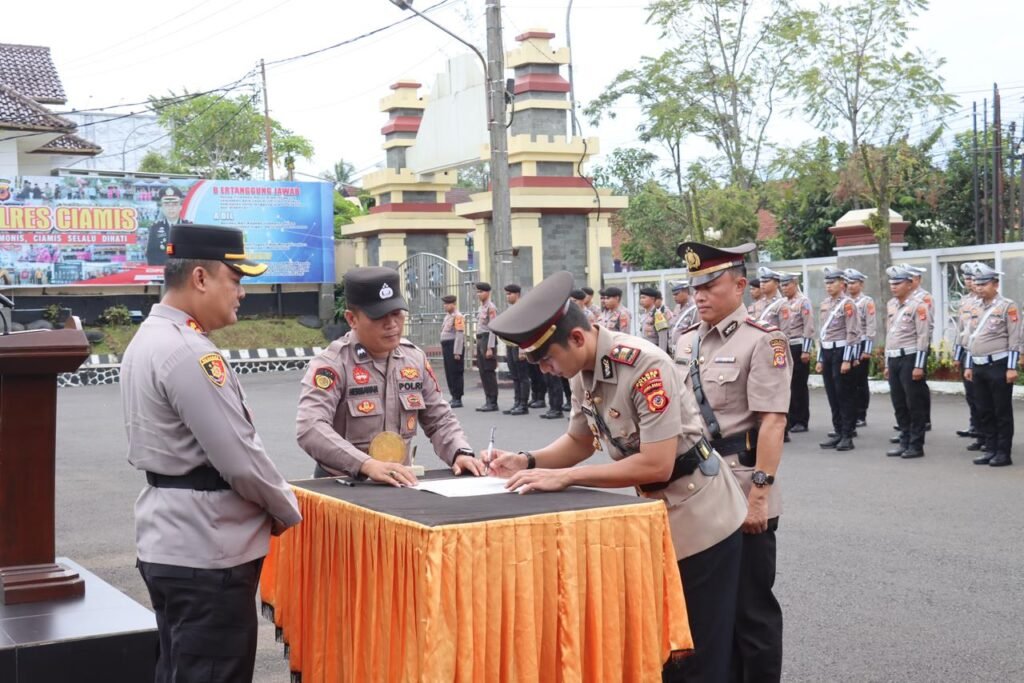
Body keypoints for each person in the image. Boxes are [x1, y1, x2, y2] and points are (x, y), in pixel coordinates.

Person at [485, 270, 747, 683]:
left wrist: (569, 479)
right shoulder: (582, 370)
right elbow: (580, 440)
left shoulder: (644, 365)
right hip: (653, 515)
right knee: (659, 644)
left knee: (696, 651)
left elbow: (655, 464)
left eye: (548, 359)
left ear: (576, 338)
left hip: (701, 517)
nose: (548, 370)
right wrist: (528, 461)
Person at [121, 223, 302, 683]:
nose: (240, 293)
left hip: (172, 540)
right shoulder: (188, 352)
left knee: (179, 670)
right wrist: (285, 509)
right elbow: (240, 458)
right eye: (236, 280)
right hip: (208, 551)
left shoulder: (149, 339)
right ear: (200, 278)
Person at [675, 241, 789, 683]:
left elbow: (773, 423)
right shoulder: (685, 341)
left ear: (740, 285)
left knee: (751, 610)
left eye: (710, 285)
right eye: (695, 286)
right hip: (698, 493)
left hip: (743, 487)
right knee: (707, 610)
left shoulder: (763, 341)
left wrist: (760, 494)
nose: (700, 295)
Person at [295, 267, 484, 484]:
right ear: (351, 319)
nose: (392, 324)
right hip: (344, 484)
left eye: (396, 313)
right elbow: (310, 427)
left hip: (400, 483)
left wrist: (460, 452)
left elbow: (439, 419)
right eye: (378, 317)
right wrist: (365, 464)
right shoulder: (333, 364)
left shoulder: (414, 358)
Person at [962, 264, 1020, 467]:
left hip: (998, 365)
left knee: (1001, 410)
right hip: (978, 365)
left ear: (995, 284)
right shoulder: (975, 307)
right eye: (976, 283)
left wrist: (1012, 367)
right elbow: (970, 338)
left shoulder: (1007, 306)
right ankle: (990, 447)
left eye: (983, 283)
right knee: (984, 409)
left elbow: (1015, 339)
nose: (978, 287)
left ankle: (1003, 453)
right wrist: (968, 365)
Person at [884, 266, 931, 459]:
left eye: (898, 283)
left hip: (910, 357)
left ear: (910, 284)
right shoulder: (891, 305)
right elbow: (889, 335)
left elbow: (923, 336)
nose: (894, 287)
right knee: (899, 403)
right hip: (894, 358)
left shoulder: (919, 306)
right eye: (892, 284)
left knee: (914, 403)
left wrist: (919, 365)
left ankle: (916, 444)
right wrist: (887, 363)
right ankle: (904, 440)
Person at [816, 266, 859, 451]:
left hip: (841, 352)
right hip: (827, 352)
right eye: (826, 283)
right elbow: (822, 333)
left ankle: (847, 436)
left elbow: (853, 332)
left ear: (842, 284)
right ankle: (838, 431)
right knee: (832, 395)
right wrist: (819, 358)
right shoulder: (825, 303)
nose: (828, 286)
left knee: (844, 395)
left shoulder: (848, 304)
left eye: (832, 282)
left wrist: (847, 360)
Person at [778, 272, 813, 434]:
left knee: (798, 385)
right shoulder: (782, 303)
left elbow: (808, 327)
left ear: (795, 283)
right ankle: (791, 418)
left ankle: (801, 419)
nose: (784, 288)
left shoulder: (803, 302)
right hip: (785, 346)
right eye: (782, 285)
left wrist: (806, 349)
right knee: (787, 384)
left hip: (798, 346)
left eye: (787, 285)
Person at [844, 269, 876, 428]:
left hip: (861, 343)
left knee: (860, 381)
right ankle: (850, 413)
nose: (850, 286)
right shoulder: (843, 302)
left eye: (853, 282)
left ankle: (861, 414)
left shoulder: (866, 302)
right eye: (848, 283)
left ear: (861, 284)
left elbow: (870, 326)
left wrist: (867, 350)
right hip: (848, 344)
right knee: (848, 381)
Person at [953, 263, 982, 442]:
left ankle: (983, 430)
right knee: (970, 393)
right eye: (966, 279)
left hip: (978, 352)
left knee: (980, 394)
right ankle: (974, 424)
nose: (969, 282)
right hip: (965, 351)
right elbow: (960, 330)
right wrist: (957, 355)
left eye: (971, 278)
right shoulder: (964, 301)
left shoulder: (983, 302)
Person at [502, 283, 531, 415]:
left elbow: (524, 330)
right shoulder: (512, 308)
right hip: (510, 345)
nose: (507, 297)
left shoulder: (523, 309)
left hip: (519, 346)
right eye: (506, 294)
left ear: (517, 294)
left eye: (510, 294)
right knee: (515, 376)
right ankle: (517, 402)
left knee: (523, 376)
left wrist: (523, 349)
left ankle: (523, 404)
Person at [474, 281, 500, 411]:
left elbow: (493, 329)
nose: (479, 294)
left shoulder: (491, 308)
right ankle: (487, 399)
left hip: (487, 340)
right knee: (482, 371)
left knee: (489, 371)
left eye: (481, 292)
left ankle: (493, 401)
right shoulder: (481, 308)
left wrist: (490, 347)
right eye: (478, 292)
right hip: (480, 339)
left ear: (488, 293)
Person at [147, 186, 188, 266]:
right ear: (162, 208)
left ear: (180, 207)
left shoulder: (188, 227)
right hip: (161, 271)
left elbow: (192, 253)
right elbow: (151, 253)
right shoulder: (155, 228)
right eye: (167, 205)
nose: (171, 208)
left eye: (174, 204)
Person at [439, 294, 466, 408]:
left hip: (453, 346)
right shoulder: (447, 316)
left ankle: (458, 398)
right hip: (447, 346)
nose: (445, 306)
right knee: (449, 372)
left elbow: (459, 335)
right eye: (444, 304)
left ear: (453, 304)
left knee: (455, 372)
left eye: (447, 304)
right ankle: (453, 395)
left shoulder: (458, 316)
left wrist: (457, 352)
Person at [668, 280, 697, 353]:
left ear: (686, 291)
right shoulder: (677, 308)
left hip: (687, 351)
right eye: (673, 294)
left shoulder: (694, 308)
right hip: (674, 351)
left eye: (676, 294)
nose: (674, 297)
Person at [638, 285, 670, 351]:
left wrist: (662, 355)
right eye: (640, 298)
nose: (641, 300)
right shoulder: (644, 315)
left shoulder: (658, 315)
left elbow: (663, 338)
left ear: (652, 299)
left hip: (654, 351)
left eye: (644, 298)